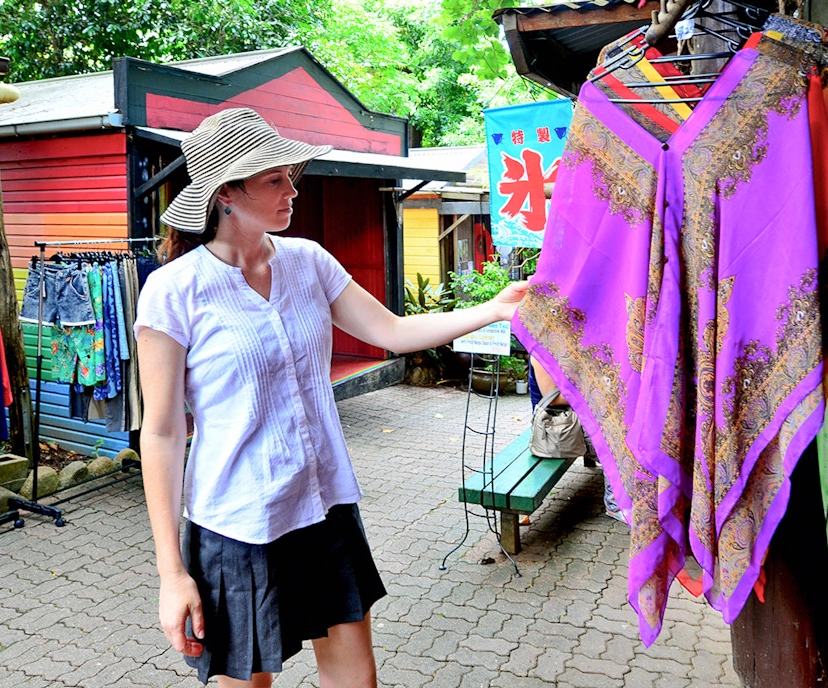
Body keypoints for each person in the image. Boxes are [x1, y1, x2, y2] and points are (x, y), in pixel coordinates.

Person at [133, 108, 528, 688]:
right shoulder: (174, 290)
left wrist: (492, 310)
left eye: (291, 176)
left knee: (355, 679)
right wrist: (172, 574)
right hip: (237, 524)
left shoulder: (309, 262)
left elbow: (391, 331)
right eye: (275, 179)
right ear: (225, 194)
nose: (293, 190)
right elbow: (163, 432)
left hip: (322, 505)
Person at [527, 356, 624, 524]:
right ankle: (615, 504)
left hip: (572, 421)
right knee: (615, 441)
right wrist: (597, 389)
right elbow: (554, 399)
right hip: (555, 430)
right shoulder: (539, 353)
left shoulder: (562, 345)